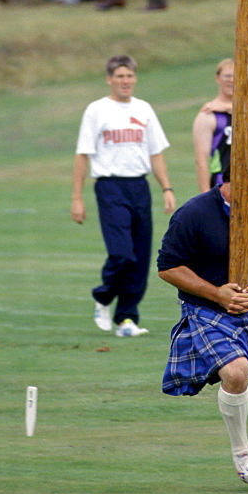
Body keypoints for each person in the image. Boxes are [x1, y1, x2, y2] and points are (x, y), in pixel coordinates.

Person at [157, 144, 248, 492]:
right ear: (238, 175)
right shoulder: (193, 213)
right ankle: (242, 454)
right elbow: (167, 267)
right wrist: (217, 293)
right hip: (205, 311)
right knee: (236, 370)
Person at [71, 54, 176, 337]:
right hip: (109, 186)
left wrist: (166, 188)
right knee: (122, 254)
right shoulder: (97, 110)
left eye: (129, 76)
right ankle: (103, 296)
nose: (125, 81)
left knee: (141, 257)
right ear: (109, 79)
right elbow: (83, 155)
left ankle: (126, 319)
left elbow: (156, 153)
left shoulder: (144, 110)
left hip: (139, 187)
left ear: (135, 78)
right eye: (119, 76)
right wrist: (77, 198)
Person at [192, 58, 248, 192]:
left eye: (236, 76)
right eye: (227, 76)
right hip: (221, 182)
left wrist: (229, 107)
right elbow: (201, 160)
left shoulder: (247, 108)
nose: (232, 80)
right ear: (217, 78)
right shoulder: (208, 114)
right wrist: (205, 196)